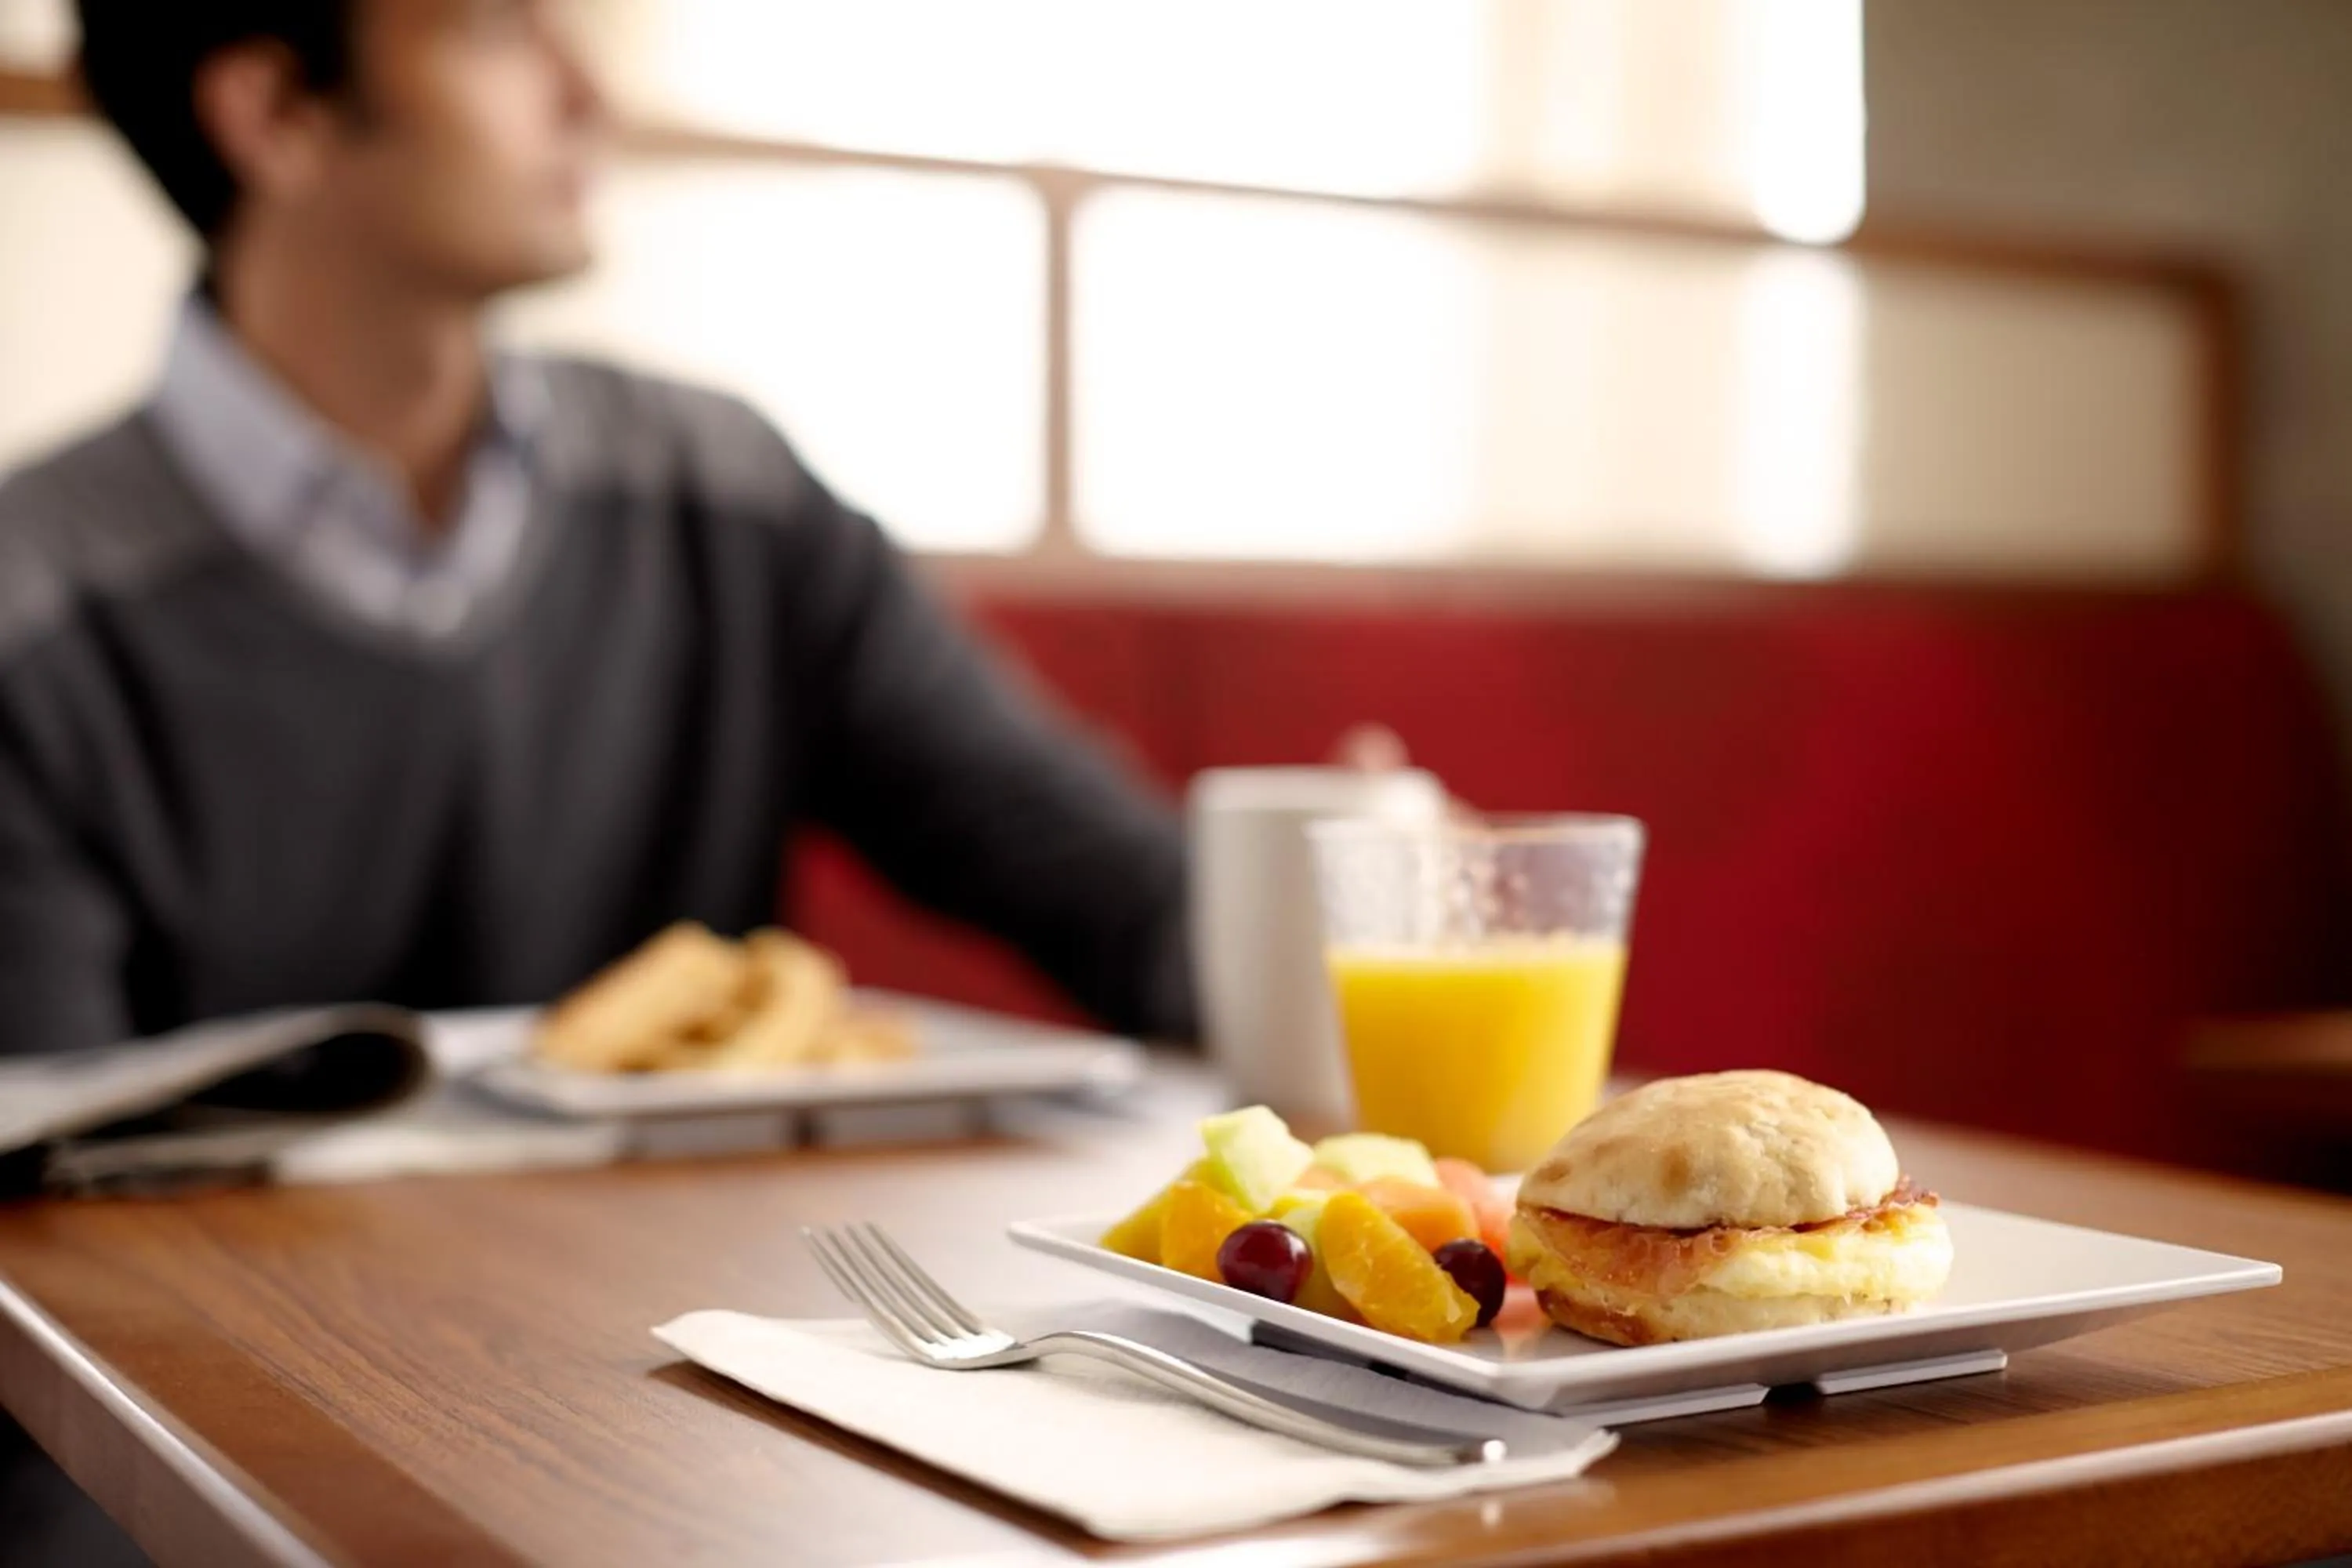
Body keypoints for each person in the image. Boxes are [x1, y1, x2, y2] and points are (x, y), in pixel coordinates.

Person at [0, 0, 1198, 1065]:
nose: (588, 97)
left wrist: (1332, 898)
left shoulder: (728, 499)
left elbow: (1118, 897)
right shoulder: (31, 610)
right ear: (274, 113)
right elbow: (46, 1204)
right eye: (497, 26)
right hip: (235, 1321)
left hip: (716, 1315)